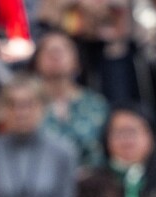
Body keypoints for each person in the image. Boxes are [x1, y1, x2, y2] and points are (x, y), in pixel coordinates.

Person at [33, 30, 110, 168]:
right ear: (36, 62)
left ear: (77, 61)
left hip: (90, 178)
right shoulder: (24, 104)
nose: (55, 55)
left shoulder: (96, 104)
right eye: (48, 51)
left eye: (62, 50)